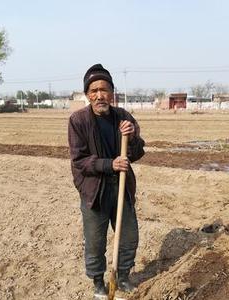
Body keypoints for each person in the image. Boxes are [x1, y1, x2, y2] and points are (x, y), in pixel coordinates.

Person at [68, 64, 145, 299]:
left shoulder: (123, 117)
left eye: (104, 89)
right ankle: (98, 282)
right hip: (95, 191)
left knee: (129, 236)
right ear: (87, 94)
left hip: (122, 187)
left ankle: (122, 276)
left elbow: (138, 151)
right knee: (95, 241)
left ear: (112, 92)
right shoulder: (78, 120)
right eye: (94, 90)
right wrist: (108, 164)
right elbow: (79, 160)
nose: (99, 95)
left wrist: (131, 137)